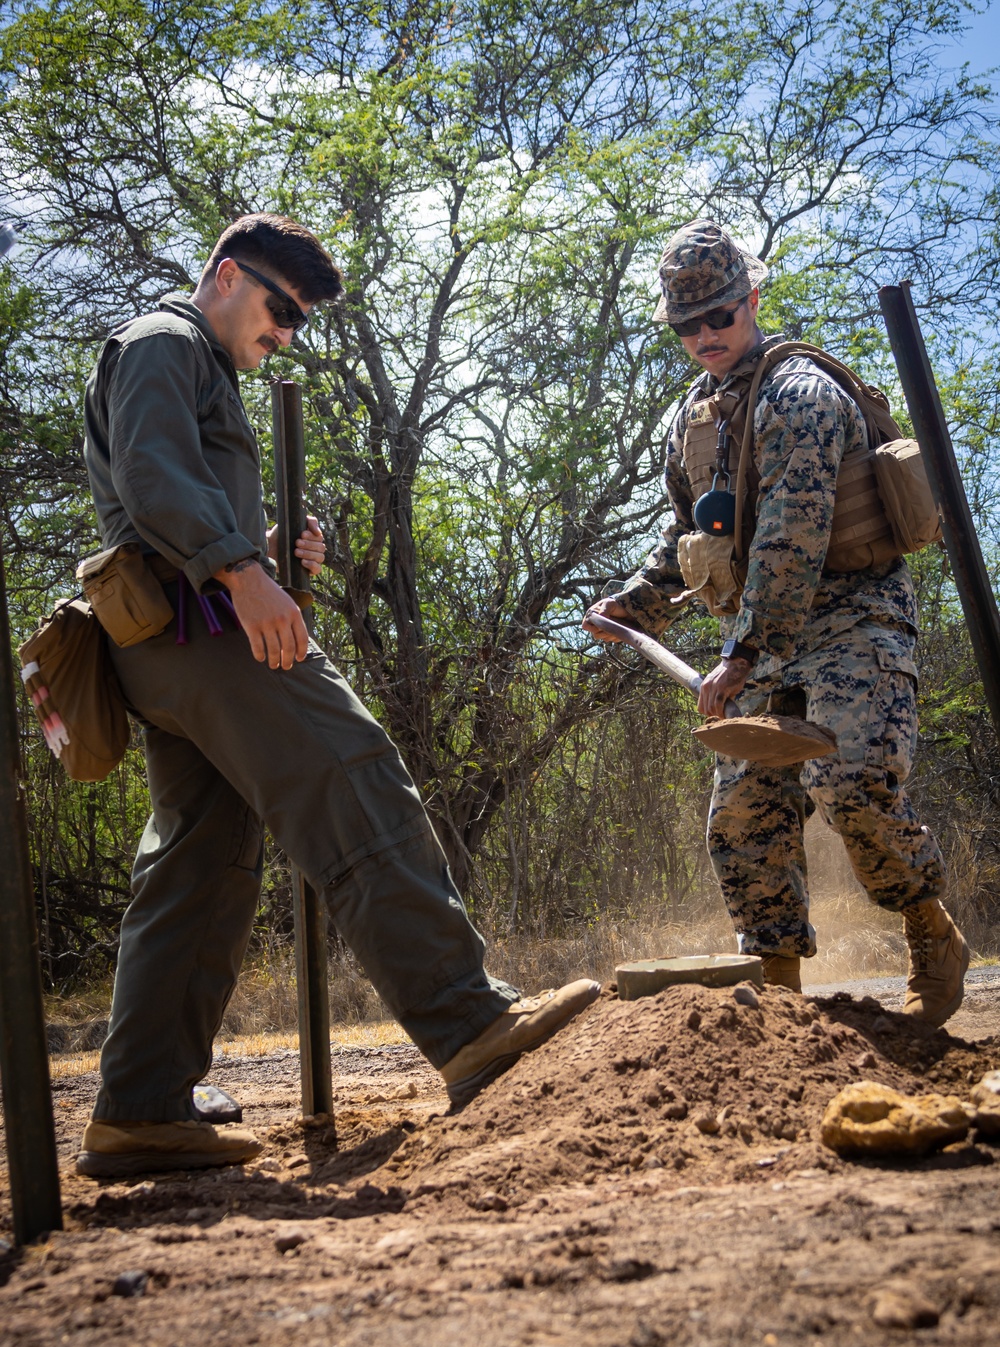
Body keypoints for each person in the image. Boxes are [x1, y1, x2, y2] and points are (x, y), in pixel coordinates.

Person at [76, 213, 598, 1178]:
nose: (284, 333)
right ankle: (470, 1021)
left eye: (299, 323)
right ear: (226, 276)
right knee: (351, 776)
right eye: (279, 309)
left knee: (202, 863)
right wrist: (243, 571)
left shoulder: (200, 363)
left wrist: (264, 553)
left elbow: (169, 497)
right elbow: (150, 481)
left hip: (170, 641)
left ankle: (142, 1105)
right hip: (206, 633)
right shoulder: (163, 340)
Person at [584, 219, 967, 1024]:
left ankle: (932, 933)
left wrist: (746, 654)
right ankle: (782, 1003)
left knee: (852, 784)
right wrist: (634, 604)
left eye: (719, 316)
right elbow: (693, 538)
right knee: (743, 813)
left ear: (751, 299)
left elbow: (792, 538)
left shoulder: (801, 395)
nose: (704, 335)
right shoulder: (694, 416)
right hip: (759, 640)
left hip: (852, 619)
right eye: (686, 325)